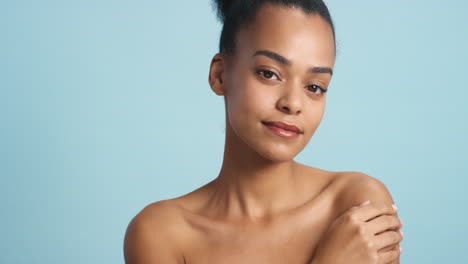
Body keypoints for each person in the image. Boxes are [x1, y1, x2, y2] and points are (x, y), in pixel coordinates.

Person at [124, 0, 404, 263]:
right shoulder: (161, 233)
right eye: (269, 73)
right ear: (220, 75)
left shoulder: (357, 206)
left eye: (314, 87)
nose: (293, 104)